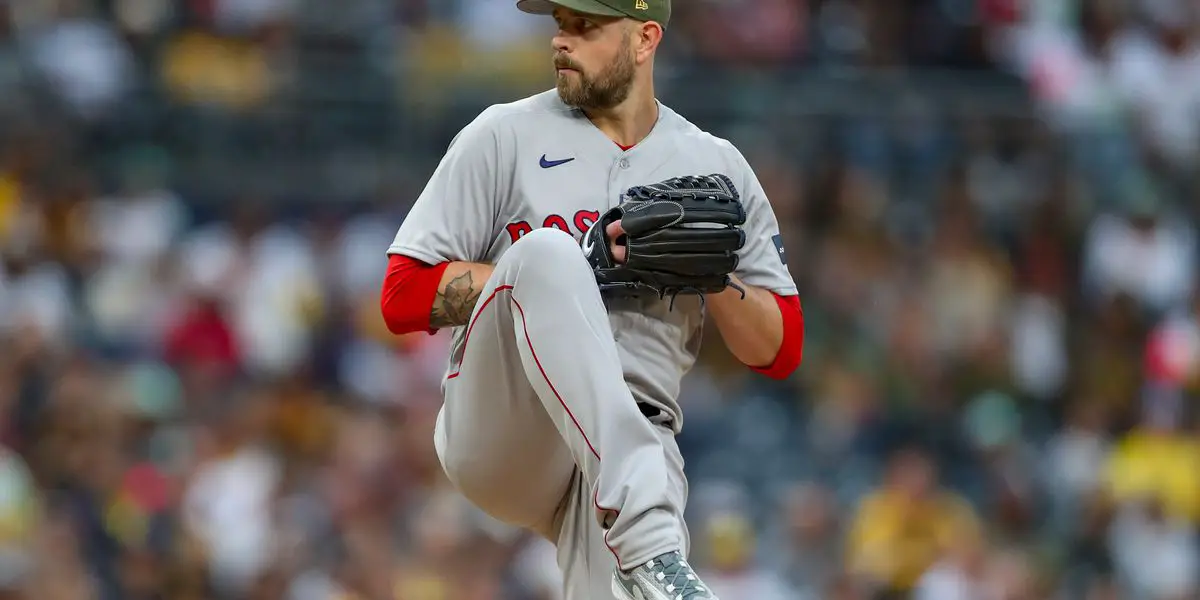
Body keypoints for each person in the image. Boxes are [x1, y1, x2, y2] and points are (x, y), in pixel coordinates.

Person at [379, 1, 804, 597]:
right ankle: (651, 545)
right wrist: (580, 263)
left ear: (644, 38)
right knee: (548, 253)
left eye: (585, 26)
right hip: (514, 425)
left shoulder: (716, 166)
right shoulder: (504, 134)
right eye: (560, 24)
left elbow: (780, 350)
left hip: (635, 436)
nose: (561, 41)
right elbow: (401, 295)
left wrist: (715, 277)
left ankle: (644, 551)